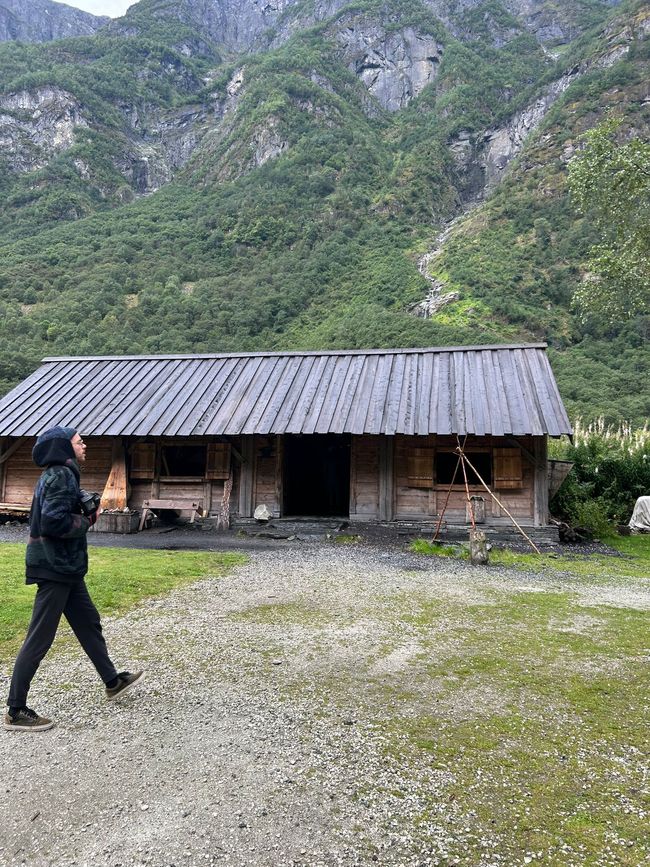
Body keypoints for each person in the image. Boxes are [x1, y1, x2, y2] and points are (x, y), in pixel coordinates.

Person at [4, 426, 143, 732]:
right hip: (54, 567)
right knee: (40, 637)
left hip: (66, 568)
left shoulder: (60, 474)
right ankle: (16, 710)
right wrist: (89, 518)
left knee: (88, 622)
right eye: (79, 442)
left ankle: (112, 681)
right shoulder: (60, 475)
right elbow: (54, 522)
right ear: (64, 447)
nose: (85, 446)